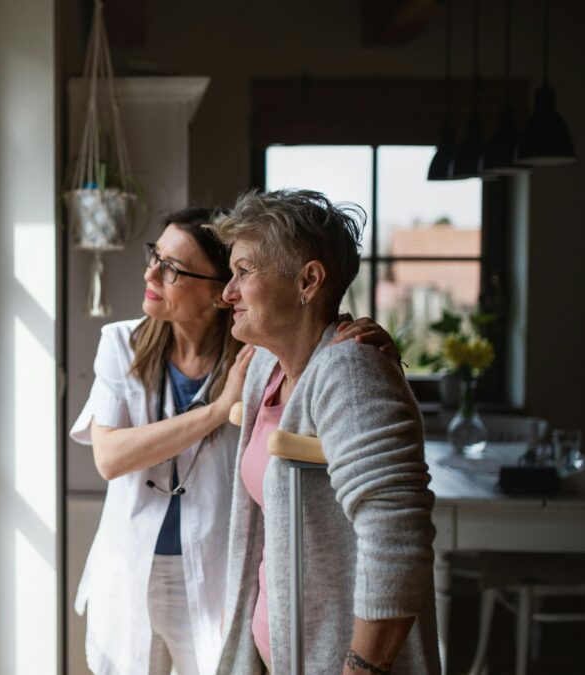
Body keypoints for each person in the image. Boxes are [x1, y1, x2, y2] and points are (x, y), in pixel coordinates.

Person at [69, 207, 400, 675]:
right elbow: (108, 457)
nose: (151, 273)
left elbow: (315, 356)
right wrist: (216, 410)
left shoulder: (257, 357)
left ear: (215, 293)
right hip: (131, 570)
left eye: (172, 268)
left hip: (212, 577)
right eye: (155, 257)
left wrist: (355, 339)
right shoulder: (121, 343)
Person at [210, 189, 439, 675]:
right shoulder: (264, 367)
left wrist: (361, 670)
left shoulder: (351, 372)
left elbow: (397, 538)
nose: (226, 292)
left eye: (244, 272)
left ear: (309, 281)